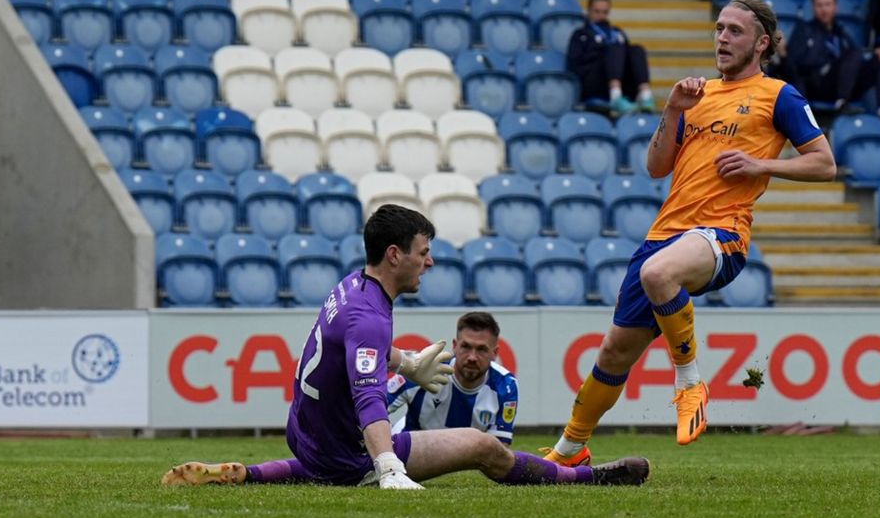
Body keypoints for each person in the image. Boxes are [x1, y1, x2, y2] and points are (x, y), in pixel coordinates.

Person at [543, 0, 837, 467]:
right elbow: (655, 166)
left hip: (722, 233)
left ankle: (689, 382)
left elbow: (825, 164)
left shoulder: (778, 95)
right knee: (615, 351)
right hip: (666, 232)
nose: (722, 37)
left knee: (660, 275)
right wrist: (674, 109)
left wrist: (760, 163)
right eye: (719, 28)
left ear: (762, 43)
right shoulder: (697, 95)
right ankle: (569, 450)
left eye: (734, 31)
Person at [163, 205, 650, 489]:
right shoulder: (371, 317)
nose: (430, 262)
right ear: (395, 255)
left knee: (323, 469)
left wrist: (408, 362)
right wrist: (389, 466)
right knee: (484, 447)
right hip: (345, 449)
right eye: (423, 252)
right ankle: (589, 480)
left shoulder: (353, 287)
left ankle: (250, 475)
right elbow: (368, 398)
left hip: (303, 432)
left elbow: (349, 349)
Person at [388, 312, 519, 446]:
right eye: (466, 347)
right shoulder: (424, 370)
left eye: (481, 349)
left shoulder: (506, 386)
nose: (472, 357)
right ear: (455, 346)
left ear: (495, 353)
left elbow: (500, 448)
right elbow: (373, 405)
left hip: (465, 457)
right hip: (412, 448)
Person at [782, 0, 880, 118]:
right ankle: (842, 103)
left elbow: (856, 61)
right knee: (854, 53)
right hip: (818, 84)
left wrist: (876, 51)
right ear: (813, 7)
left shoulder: (840, 32)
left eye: (828, 4)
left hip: (844, 83)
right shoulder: (804, 30)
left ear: (835, 6)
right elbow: (793, 64)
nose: (824, 9)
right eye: (819, 5)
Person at [566, 0, 655, 114]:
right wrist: (600, 55)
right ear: (589, 10)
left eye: (604, 12)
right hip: (594, 83)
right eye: (596, 11)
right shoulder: (580, 34)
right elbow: (574, 65)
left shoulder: (617, 32)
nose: (601, 16)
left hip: (621, 80)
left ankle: (645, 94)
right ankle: (615, 96)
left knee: (636, 49)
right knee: (615, 47)